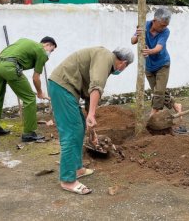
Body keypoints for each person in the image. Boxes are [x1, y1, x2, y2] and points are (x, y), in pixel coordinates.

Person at [48, 47, 134, 195]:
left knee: (79, 126)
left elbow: (89, 96)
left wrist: (91, 130)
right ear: (123, 63)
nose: (122, 70)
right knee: (71, 132)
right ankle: (68, 180)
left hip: (66, 88)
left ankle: (77, 168)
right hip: (62, 86)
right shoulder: (105, 57)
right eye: (125, 67)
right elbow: (96, 87)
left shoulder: (104, 61)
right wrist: (92, 114)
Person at [0, 37, 57, 142]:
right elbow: (36, 77)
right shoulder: (41, 52)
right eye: (52, 50)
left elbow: (0, 53)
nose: (50, 53)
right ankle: (28, 133)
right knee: (30, 98)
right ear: (47, 45)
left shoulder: (23, 41)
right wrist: (39, 92)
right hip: (10, 67)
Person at [131, 7, 184, 132]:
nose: (164, 27)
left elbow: (159, 48)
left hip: (162, 64)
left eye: (166, 25)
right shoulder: (144, 25)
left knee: (158, 92)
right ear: (154, 21)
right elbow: (132, 41)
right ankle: (176, 105)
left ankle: (153, 115)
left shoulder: (166, 31)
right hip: (149, 66)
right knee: (159, 90)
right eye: (162, 25)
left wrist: (149, 51)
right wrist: (138, 34)